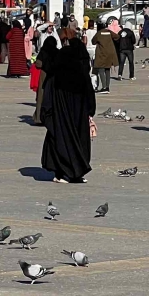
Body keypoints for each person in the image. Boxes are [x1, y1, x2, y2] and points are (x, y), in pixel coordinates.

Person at [40, 28, 96, 183]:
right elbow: (89, 93)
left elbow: (47, 98)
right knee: (75, 142)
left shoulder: (56, 75)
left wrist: (46, 114)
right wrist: (90, 111)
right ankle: (69, 173)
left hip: (61, 114)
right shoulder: (80, 73)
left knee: (60, 139)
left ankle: (63, 173)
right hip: (77, 114)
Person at [91, 23, 116, 92]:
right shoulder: (109, 32)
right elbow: (117, 37)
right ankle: (107, 87)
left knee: (101, 70)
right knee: (107, 70)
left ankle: (104, 87)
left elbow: (93, 41)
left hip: (101, 54)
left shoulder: (99, 33)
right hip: (110, 53)